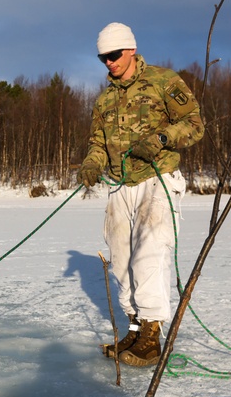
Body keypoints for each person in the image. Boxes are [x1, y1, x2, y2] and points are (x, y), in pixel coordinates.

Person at [78, 22, 205, 367]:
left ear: (131, 50)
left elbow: (195, 123)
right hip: (121, 185)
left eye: (114, 55)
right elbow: (98, 143)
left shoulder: (164, 81)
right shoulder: (104, 98)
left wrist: (161, 139)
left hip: (158, 180)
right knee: (121, 259)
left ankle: (151, 334)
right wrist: (91, 164)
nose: (109, 63)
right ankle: (134, 327)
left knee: (149, 256)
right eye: (103, 57)